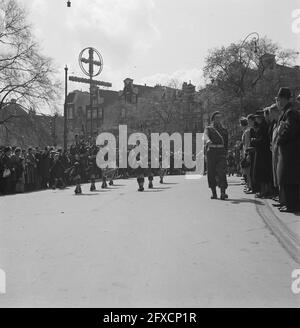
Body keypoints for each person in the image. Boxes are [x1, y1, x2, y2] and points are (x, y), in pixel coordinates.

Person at [275, 87, 300, 212]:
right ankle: (288, 203)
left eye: (280, 99)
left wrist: (280, 138)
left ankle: (292, 205)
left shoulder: (291, 112)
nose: (278, 102)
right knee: (286, 177)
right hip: (288, 151)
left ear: (285, 99)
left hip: (291, 151)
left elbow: (290, 131)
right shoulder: (286, 112)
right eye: (278, 100)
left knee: (290, 178)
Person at [204, 111, 229, 200]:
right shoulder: (209, 129)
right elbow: (205, 136)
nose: (218, 119)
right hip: (211, 152)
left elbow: (226, 143)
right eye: (217, 118)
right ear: (213, 119)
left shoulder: (224, 130)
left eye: (220, 118)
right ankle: (214, 193)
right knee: (211, 172)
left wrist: (226, 153)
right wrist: (207, 141)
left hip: (221, 152)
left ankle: (223, 192)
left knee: (221, 171)